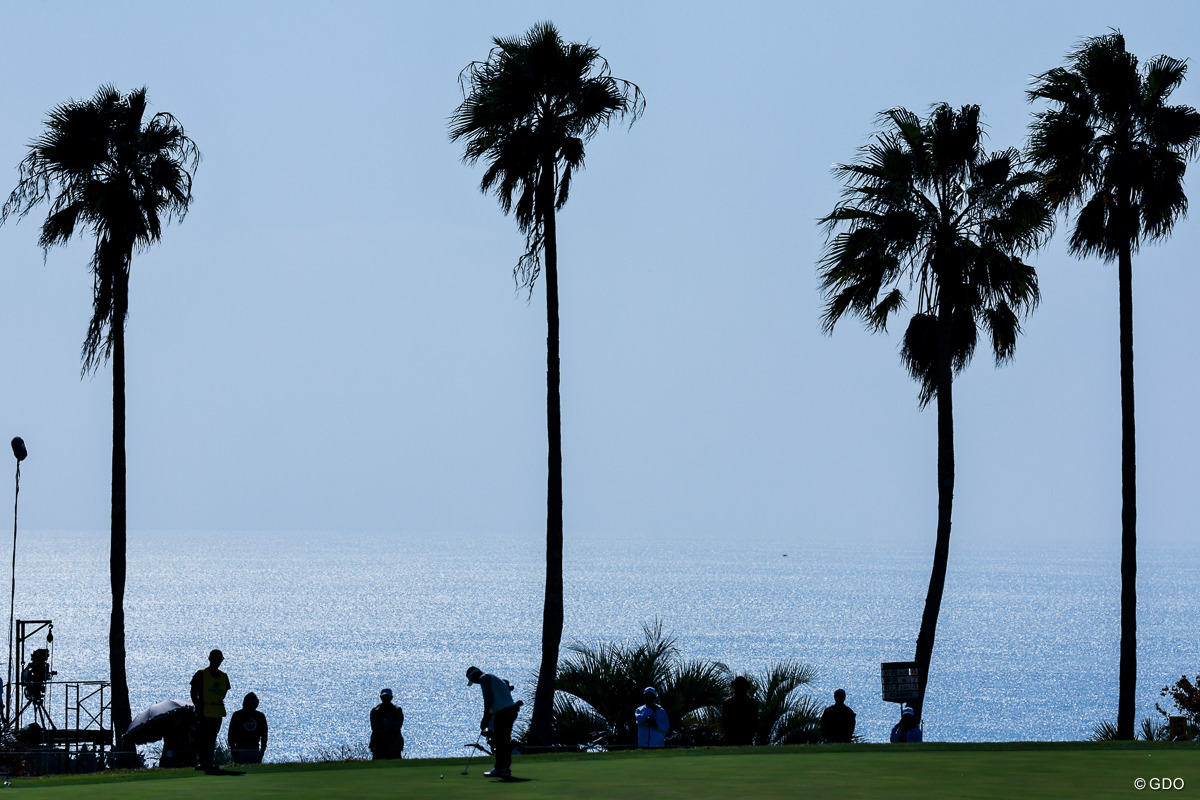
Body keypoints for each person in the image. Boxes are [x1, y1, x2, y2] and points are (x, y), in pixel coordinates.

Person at [466, 666, 521, 778]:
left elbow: (489, 700)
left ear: (475, 677)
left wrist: (485, 718)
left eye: (473, 681)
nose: (475, 683)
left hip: (504, 712)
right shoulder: (490, 676)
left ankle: (501, 769)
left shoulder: (484, 678)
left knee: (501, 742)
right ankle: (503, 769)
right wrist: (487, 717)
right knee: (502, 741)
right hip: (508, 711)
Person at [190, 649, 231, 771]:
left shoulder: (224, 676)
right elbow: (193, 692)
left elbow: (224, 691)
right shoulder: (201, 674)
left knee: (212, 737)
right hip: (204, 711)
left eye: (219, 660)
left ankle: (208, 762)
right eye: (215, 659)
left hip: (217, 712)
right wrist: (198, 706)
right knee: (203, 738)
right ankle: (203, 762)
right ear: (210, 659)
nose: (217, 662)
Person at [227, 692, 269, 764]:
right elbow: (231, 733)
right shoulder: (237, 715)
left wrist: (262, 750)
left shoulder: (260, 716)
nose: (251, 705)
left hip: (253, 750)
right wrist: (232, 748)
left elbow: (264, 734)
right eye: (250, 702)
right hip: (240, 750)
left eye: (253, 702)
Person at [721, 676, 758, 745]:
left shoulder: (728, 703)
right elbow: (754, 723)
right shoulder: (752, 703)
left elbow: (724, 721)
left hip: (733, 737)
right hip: (745, 736)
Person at [369, 687, 405, 760]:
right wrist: (389, 725)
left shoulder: (397, 710)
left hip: (394, 745)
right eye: (384, 697)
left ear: (391, 698)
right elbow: (375, 727)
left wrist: (386, 724)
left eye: (387, 697)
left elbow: (398, 725)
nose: (385, 699)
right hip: (378, 744)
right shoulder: (375, 711)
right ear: (381, 697)